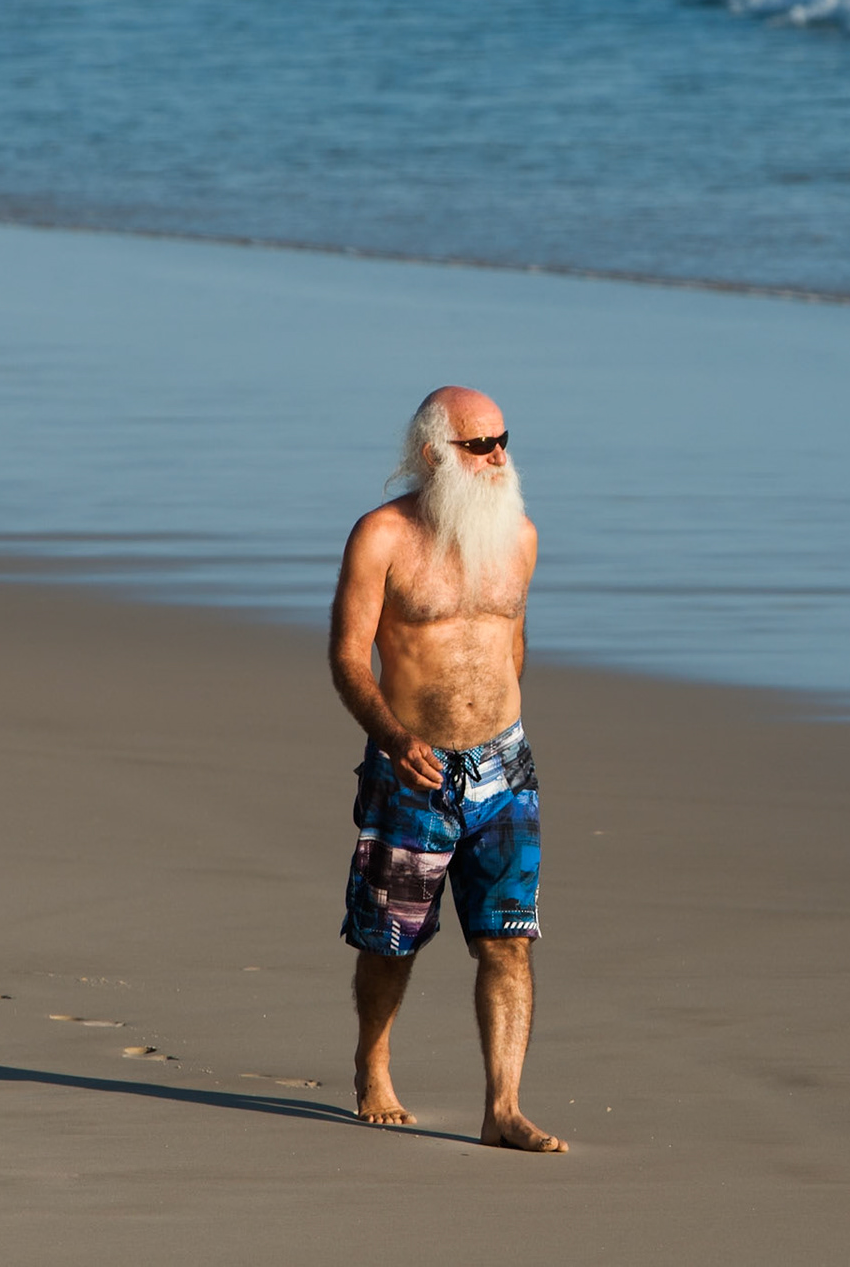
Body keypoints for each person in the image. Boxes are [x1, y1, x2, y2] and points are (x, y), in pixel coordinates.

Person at [328, 385, 565, 1152]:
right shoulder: (382, 537)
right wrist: (395, 741)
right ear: (435, 454)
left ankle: (503, 1107)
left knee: (508, 940)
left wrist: (502, 726)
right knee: (391, 939)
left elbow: (513, 645)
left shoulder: (519, 536)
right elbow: (347, 657)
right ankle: (374, 1064)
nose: (499, 456)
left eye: (503, 440)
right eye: (480, 445)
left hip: (505, 769)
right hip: (411, 771)